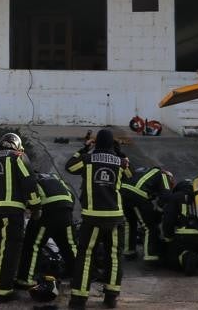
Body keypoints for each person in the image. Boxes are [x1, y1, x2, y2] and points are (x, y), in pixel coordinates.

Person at [65, 129, 126, 308]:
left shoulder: (87, 160)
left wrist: (84, 149)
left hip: (92, 217)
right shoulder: (121, 162)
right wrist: (119, 152)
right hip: (115, 217)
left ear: (96, 143)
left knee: (86, 256)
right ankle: (111, 297)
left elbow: (70, 166)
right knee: (114, 256)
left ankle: (79, 299)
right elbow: (130, 174)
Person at [0, 133, 35, 302]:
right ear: (17, 145)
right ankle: (4, 291)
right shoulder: (18, 156)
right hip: (11, 211)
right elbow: (28, 181)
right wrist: (35, 205)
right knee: (10, 249)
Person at [16, 172, 78, 287]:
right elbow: (71, 195)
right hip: (66, 209)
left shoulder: (28, 178)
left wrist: (32, 210)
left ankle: (26, 279)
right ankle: (79, 277)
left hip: (47, 211)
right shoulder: (53, 176)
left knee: (33, 245)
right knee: (70, 246)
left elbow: (30, 196)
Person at [159, 178, 198, 276]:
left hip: (185, 236)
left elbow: (168, 220)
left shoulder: (176, 196)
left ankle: (186, 257)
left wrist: (168, 238)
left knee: (171, 258)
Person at [120, 165, 173, 265]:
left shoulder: (143, 170)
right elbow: (166, 196)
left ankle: (129, 252)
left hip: (122, 192)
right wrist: (159, 211)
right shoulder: (163, 175)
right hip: (138, 194)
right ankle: (150, 256)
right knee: (149, 226)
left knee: (129, 222)